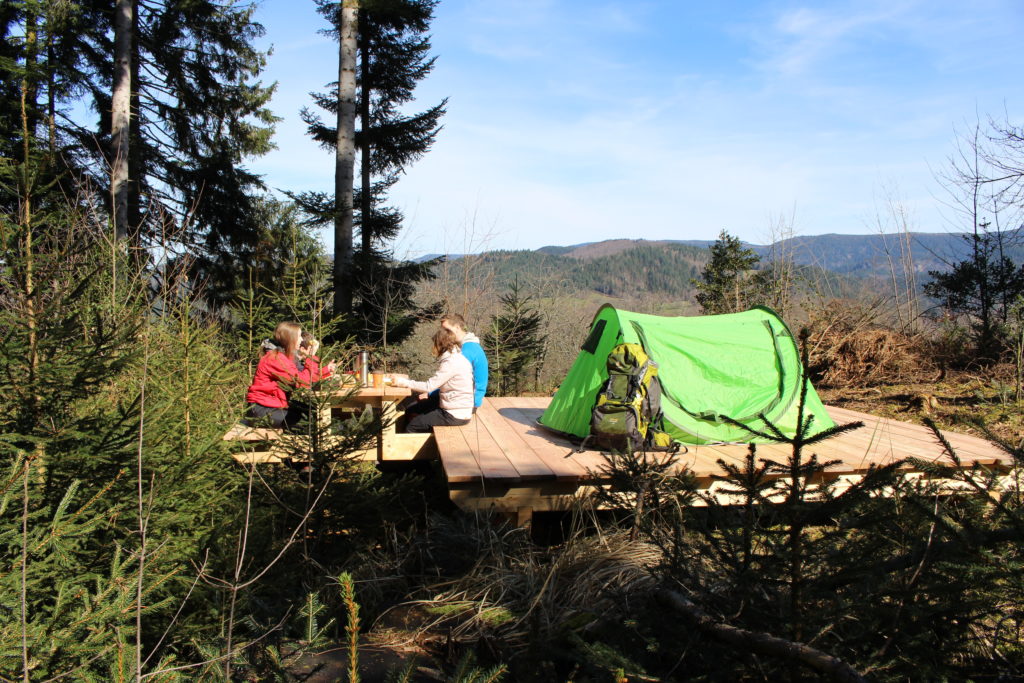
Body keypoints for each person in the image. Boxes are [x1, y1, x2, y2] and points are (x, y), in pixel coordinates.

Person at [246, 322, 335, 429]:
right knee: (309, 422)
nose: (302, 340)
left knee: (314, 412)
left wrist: (326, 371)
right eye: (299, 336)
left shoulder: (283, 356)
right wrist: (311, 357)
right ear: (290, 339)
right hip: (261, 411)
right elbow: (303, 381)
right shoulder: (275, 359)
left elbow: (301, 374)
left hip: (274, 405)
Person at [393, 328, 473, 433]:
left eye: (434, 344)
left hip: (454, 414)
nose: (433, 348)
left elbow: (429, 386)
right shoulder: (458, 358)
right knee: (411, 410)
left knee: (412, 426)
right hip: (458, 410)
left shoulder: (451, 363)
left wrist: (402, 382)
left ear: (440, 345)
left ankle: (418, 448)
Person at [441, 313, 489, 413]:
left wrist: (430, 393)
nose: (444, 334)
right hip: (463, 398)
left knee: (415, 412)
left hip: (465, 403)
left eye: (447, 330)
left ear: (457, 327)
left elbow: (452, 381)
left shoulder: (467, 351)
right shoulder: (466, 346)